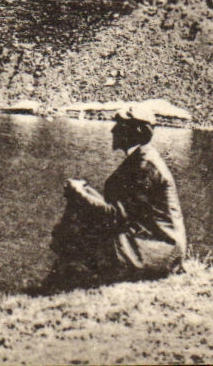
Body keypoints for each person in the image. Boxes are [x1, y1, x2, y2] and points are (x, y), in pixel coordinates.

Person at [47, 101, 187, 287]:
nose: (113, 130)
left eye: (120, 126)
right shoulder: (142, 159)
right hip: (153, 243)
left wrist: (80, 194)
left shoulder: (144, 166)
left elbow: (116, 216)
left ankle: (58, 284)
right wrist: (85, 192)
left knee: (80, 228)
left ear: (136, 131)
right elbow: (122, 211)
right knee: (82, 208)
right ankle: (60, 279)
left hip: (157, 249)